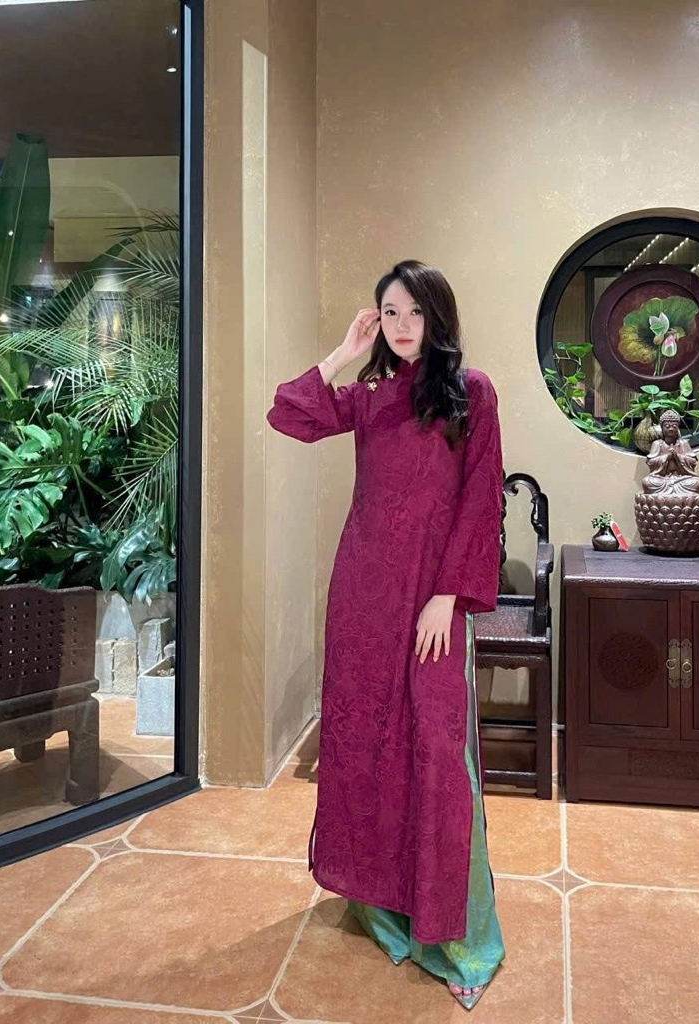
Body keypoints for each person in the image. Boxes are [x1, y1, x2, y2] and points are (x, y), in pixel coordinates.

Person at [266, 260, 506, 1010]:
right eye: (389, 313)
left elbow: (483, 497)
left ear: (438, 316)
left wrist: (447, 597)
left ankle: (457, 936)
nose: (401, 326)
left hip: (433, 604)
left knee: (437, 753)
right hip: (364, 600)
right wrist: (344, 352)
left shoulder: (472, 394)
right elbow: (289, 414)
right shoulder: (369, 396)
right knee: (369, 742)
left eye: (413, 312)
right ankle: (384, 909)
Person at [641, 408, 699, 496]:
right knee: (647, 482)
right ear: (662, 428)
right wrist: (666, 456)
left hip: (681, 479)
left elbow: (693, 461)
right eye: (667, 426)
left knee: (697, 483)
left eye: (674, 426)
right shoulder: (657, 444)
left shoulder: (683, 443)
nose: (671, 429)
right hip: (662, 479)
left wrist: (677, 456)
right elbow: (650, 462)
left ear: (678, 428)